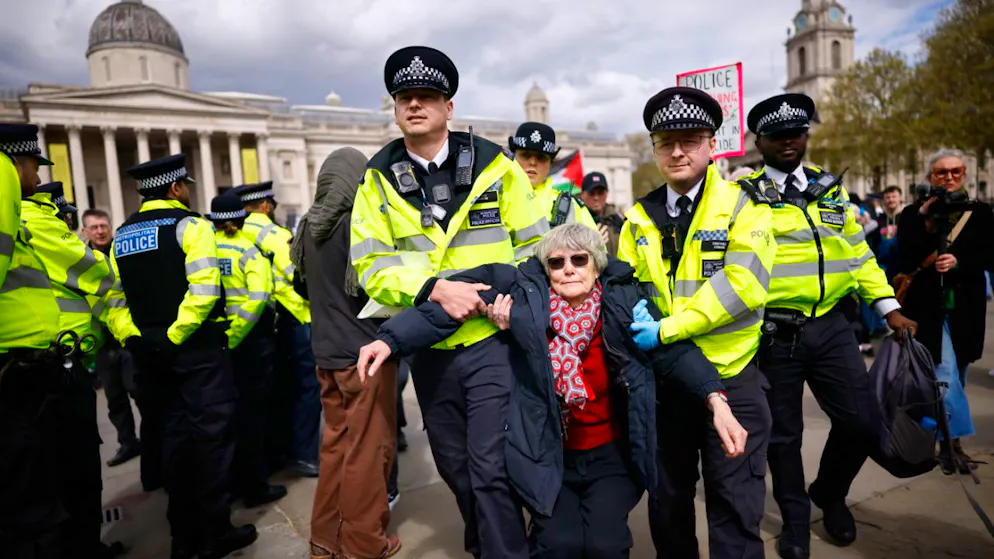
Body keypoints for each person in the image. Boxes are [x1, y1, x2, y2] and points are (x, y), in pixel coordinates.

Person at [357, 223, 749, 559]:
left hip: (610, 457)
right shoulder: (525, 299)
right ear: (546, 271)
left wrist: (717, 401)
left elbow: (673, 352)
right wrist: (390, 339)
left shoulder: (624, 303)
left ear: (597, 266)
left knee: (606, 546)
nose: (568, 269)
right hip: (548, 455)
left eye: (579, 259)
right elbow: (452, 303)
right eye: (556, 263)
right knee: (558, 546)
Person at [349, 45, 549, 558]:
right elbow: (370, 265)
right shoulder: (376, 178)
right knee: (456, 467)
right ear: (396, 109)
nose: (415, 105)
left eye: (427, 96)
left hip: (490, 340)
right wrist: (431, 288)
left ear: (449, 107)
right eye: (405, 98)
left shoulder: (496, 166)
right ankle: (488, 542)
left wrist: (511, 303)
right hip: (431, 350)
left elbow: (536, 247)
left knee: (489, 468)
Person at [738, 93, 917, 559]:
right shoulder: (743, 194)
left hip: (834, 325)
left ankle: (830, 493)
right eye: (778, 135)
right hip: (776, 333)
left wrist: (887, 307)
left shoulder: (828, 186)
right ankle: (795, 521)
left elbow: (858, 254)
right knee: (784, 438)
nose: (789, 142)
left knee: (862, 423)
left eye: (797, 133)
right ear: (759, 142)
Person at [617, 87, 777, 558]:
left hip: (731, 376)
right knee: (668, 507)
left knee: (735, 507)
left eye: (689, 140)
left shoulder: (746, 206)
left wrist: (669, 329)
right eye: (665, 142)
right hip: (666, 383)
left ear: (711, 145)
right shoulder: (637, 217)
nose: (677, 152)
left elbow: (743, 285)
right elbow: (627, 286)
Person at [102, 154, 256, 559]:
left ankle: (183, 539)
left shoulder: (122, 234)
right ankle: (213, 534)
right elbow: (203, 291)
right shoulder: (191, 225)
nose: (188, 191)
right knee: (211, 442)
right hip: (196, 353)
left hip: (149, 355)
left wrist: (135, 338)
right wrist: (173, 337)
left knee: (171, 445)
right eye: (186, 185)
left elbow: (112, 298)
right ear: (175, 187)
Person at [289, 147, 402, 559]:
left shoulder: (307, 227)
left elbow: (304, 288)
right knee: (369, 454)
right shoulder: (358, 224)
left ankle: (325, 539)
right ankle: (365, 543)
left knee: (335, 449)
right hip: (365, 356)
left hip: (326, 355)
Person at [21, 180, 123, 558]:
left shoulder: (19, 225)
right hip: (60, 365)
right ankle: (85, 546)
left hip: (48, 362)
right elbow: (100, 274)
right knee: (77, 468)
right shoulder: (41, 227)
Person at [896, 148, 994, 473]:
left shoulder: (980, 212)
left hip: (966, 308)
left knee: (958, 377)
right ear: (930, 177)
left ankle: (946, 445)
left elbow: (989, 256)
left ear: (964, 174)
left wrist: (959, 262)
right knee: (944, 375)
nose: (949, 177)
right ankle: (953, 445)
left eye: (956, 171)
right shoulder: (913, 214)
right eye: (941, 172)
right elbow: (904, 259)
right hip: (928, 308)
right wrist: (923, 221)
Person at [0, 123, 65, 557]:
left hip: (25, 364)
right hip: (14, 366)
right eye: (34, 167)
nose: (38, 177)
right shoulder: (3, 178)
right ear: (17, 162)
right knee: (28, 496)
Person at [234, 181, 321, 478]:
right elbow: (300, 275)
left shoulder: (232, 234)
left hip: (255, 325)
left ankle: (278, 452)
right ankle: (305, 454)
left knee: (274, 392)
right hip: (295, 317)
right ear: (265, 205)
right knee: (306, 389)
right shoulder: (275, 235)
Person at [206, 192, 287, 508]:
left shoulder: (204, 248)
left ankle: (232, 483)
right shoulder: (249, 250)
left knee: (225, 416)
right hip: (249, 341)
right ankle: (255, 487)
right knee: (253, 417)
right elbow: (259, 297)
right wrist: (236, 336)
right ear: (241, 218)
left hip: (215, 339)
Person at [84, 208, 144, 469]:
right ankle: (128, 443)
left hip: (128, 335)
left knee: (139, 392)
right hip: (103, 340)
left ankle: (153, 441)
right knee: (115, 397)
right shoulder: (81, 258)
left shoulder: (123, 251)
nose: (100, 231)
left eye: (103, 226)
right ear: (85, 231)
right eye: (94, 227)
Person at [508, 122, 597, 231]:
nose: (532, 162)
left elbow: (594, 241)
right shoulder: (495, 197)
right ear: (513, 158)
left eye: (541, 157)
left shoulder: (572, 206)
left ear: (550, 164)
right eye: (525, 155)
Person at [579, 171, 624, 255]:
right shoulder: (575, 220)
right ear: (582, 194)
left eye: (600, 193)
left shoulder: (618, 220)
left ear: (607, 193)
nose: (596, 197)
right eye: (591, 193)